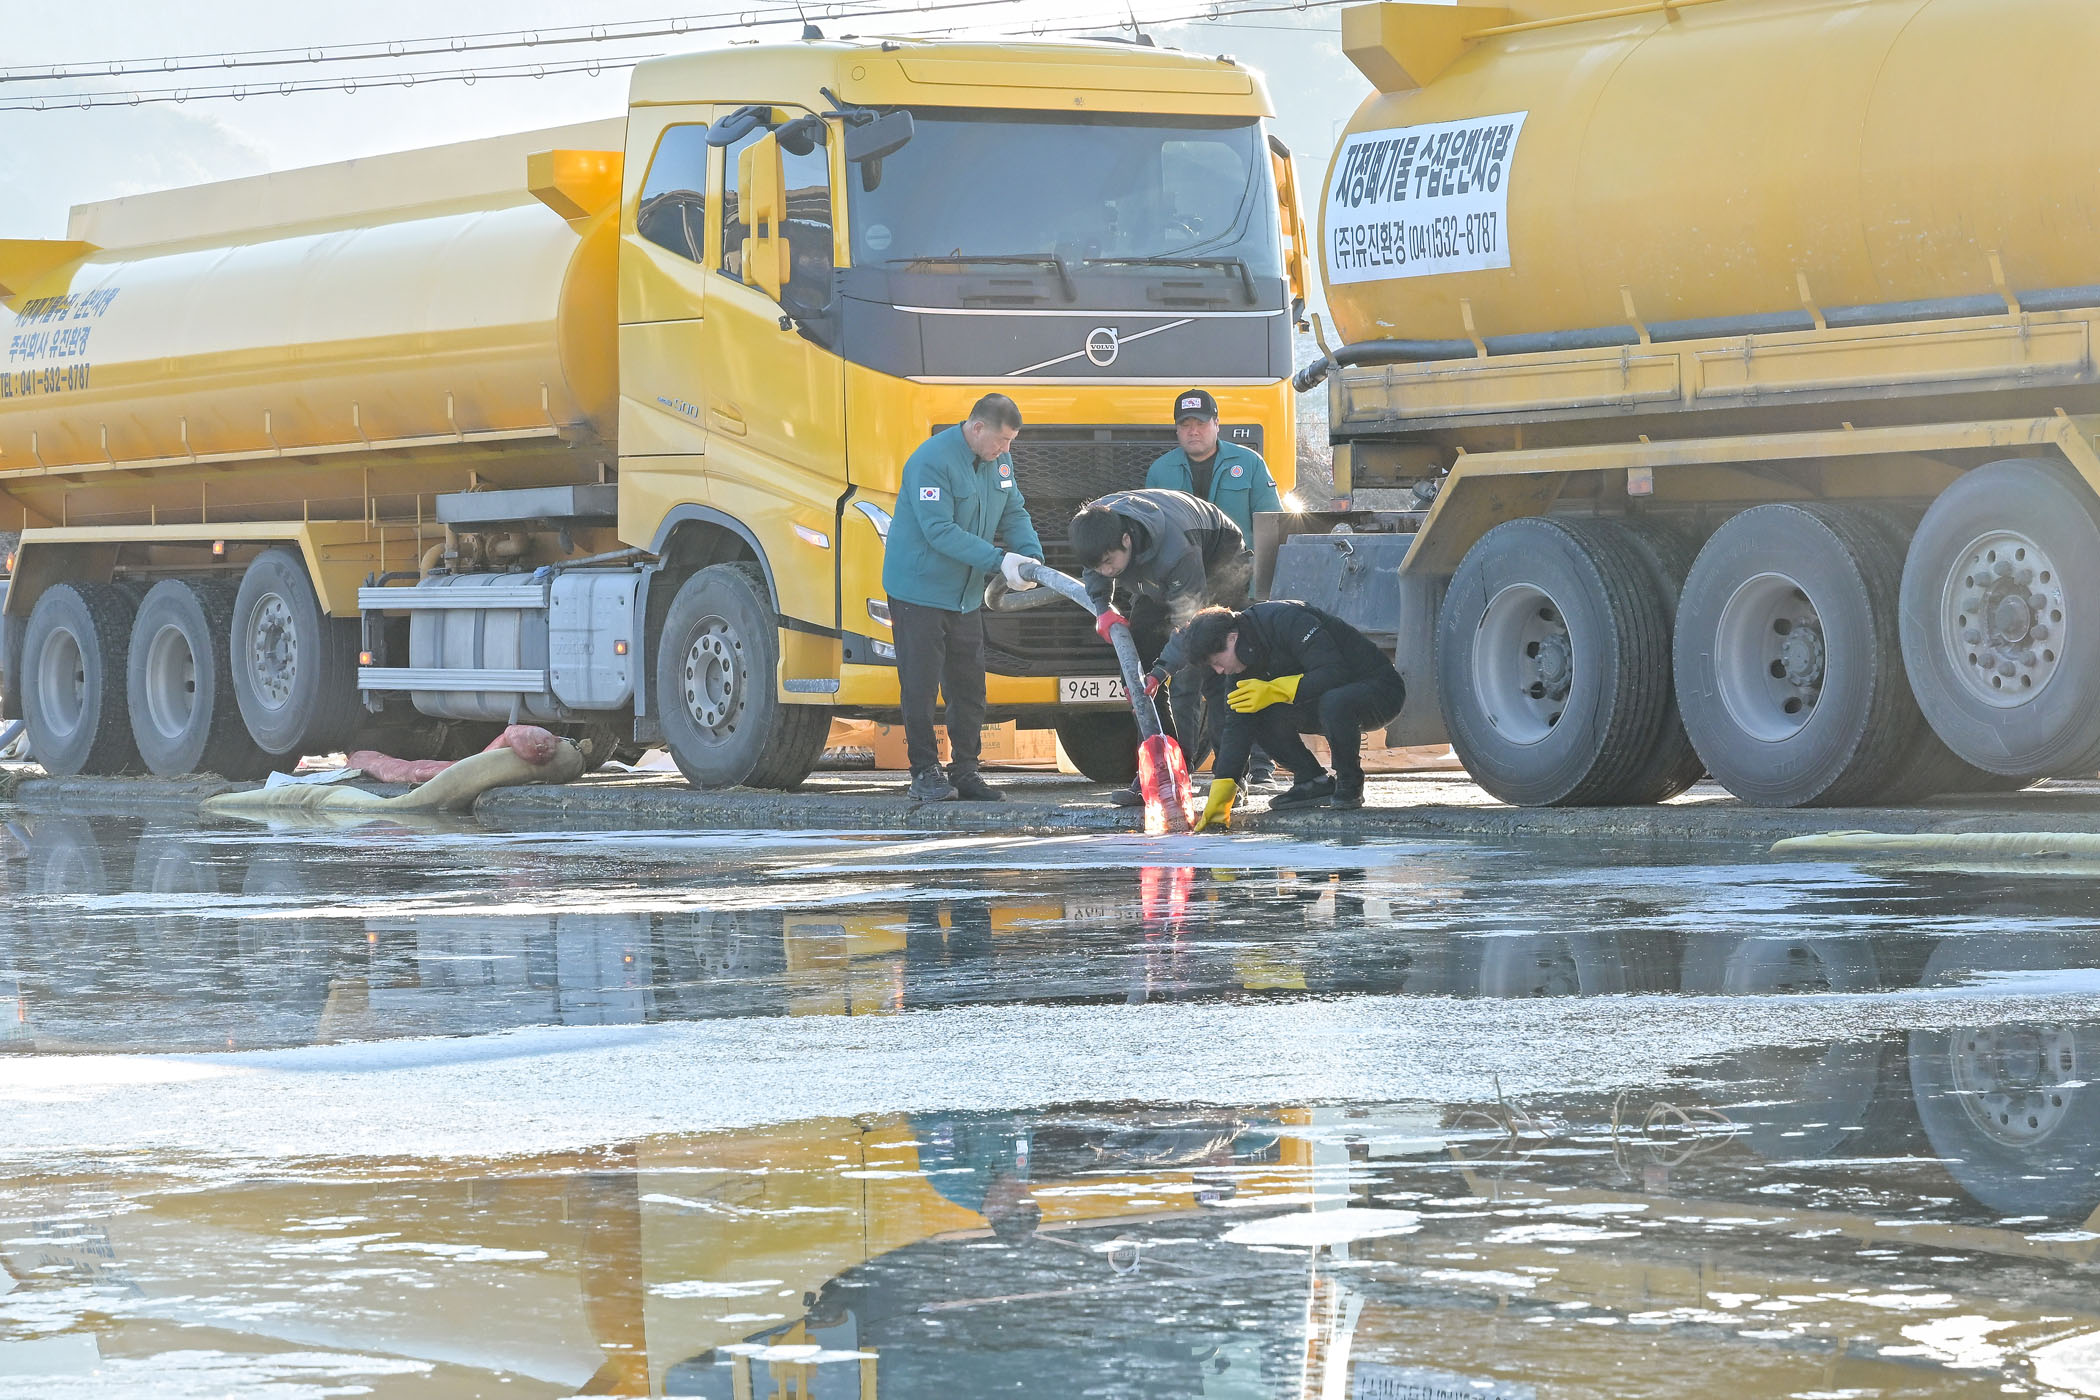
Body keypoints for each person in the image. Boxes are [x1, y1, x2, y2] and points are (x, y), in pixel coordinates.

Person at [882, 393, 1044, 803]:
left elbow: (1014, 511)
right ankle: (924, 771)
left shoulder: (998, 462)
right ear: (977, 427)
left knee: (969, 687)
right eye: (1002, 440)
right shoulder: (930, 462)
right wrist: (1000, 560)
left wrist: (1030, 558)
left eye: (1011, 442)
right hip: (918, 590)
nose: (1006, 449)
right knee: (920, 685)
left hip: (964, 595)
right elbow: (939, 531)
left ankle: (966, 769)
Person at [1068, 489, 1270, 804]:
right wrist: (1102, 605)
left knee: (1212, 671)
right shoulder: (1094, 525)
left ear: (1126, 540)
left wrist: (1163, 670)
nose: (1106, 571)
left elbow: (1191, 626)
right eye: (1099, 566)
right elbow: (1095, 570)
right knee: (1137, 675)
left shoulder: (1177, 551)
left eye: (1109, 562)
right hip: (1160, 575)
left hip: (1217, 561)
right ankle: (1162, 773)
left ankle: (1230, 778)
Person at [1172, 601, 1407, 829]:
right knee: (1255, 711)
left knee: (1335, 701)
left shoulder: (1285, 619)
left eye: (1217, 662)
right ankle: (1312, 781)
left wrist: (1277, 689)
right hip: (1322, 699)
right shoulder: (1240, 665)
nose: (1219, 670)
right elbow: (1236, 729)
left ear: (1232, 638)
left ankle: (1349, 782)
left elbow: (1335, 671)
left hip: (1379, 691)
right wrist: (1220, 799)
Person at [1144, 388, 1283, 540]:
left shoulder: (1250, 462)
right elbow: (1152, 530)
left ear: (1217, 424)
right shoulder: (1160, 470)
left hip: (1240, 555)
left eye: (1201, 423)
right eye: (1185, 424)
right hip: (1181, 555)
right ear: (1177, 429)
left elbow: (1272, 523)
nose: (1193, 431)